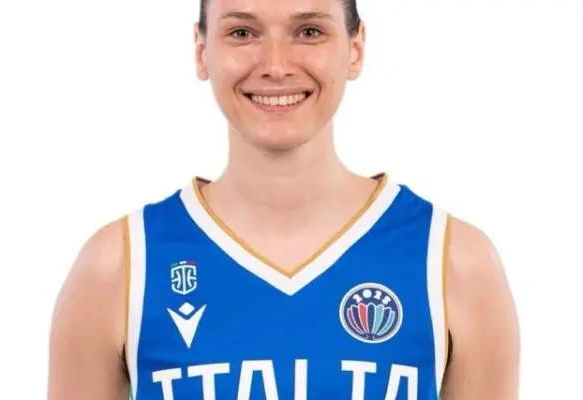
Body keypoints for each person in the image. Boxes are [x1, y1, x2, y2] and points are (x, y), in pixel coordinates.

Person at [48, 0, 520, 398]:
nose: (276, 65)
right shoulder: (120, 265)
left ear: (355, 49)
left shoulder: (454, 262)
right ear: (201, 50)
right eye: (242, 32)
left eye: (309, 31)